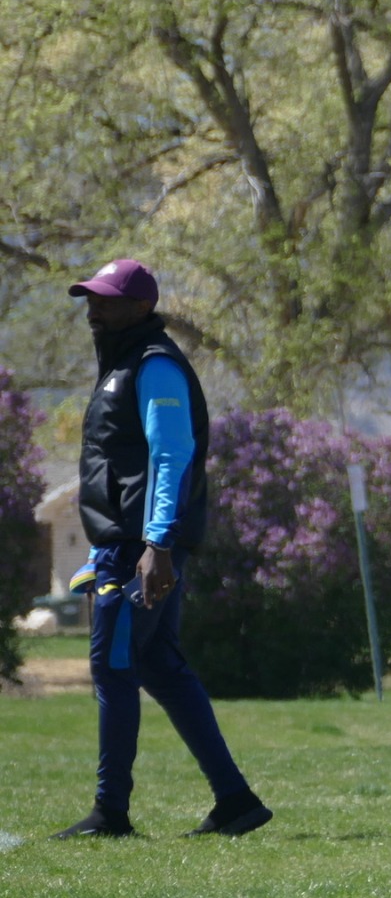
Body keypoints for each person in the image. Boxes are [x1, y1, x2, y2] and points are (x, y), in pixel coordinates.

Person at [55, 259, 271, 840]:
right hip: (124, 546)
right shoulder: (122, 365)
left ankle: (111, 812)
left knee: (113, 666)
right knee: (159, 666)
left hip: (140, 550)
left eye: (106, 300)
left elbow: (171, 456)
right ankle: (236, 801)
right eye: (90, 299)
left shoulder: (155, 364)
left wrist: (157, 543)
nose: (93, 310)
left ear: (141, 307)